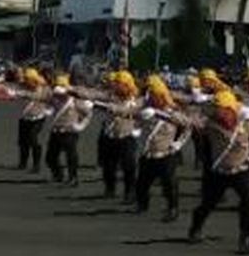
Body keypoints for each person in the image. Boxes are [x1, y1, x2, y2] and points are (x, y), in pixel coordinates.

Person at [171, 88, 249, 255]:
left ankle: (245, 237)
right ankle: (195, 228)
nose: (219, 112)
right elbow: (188, 121)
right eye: (216, 108)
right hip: (218, 172)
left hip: (241, 170)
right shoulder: (209, 123)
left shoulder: (247, 124)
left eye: (222, 109)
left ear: (231, 109)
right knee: (207, 204)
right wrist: (169, 112)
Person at [135, 76, 188, 223]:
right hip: (147, 153)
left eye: (155, 96)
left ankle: (173, 209)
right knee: (141, 183)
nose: (152, 98)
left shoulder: (172, 113)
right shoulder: (146, 108)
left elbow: (187, 127)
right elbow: (132, 114)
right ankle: (142, 204)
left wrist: (178, 144)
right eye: (151, 95)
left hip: (165, 154)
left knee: (170, 184)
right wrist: (137, 125)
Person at [99, 71, 141, 204]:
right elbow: (93, 94)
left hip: (127, 137)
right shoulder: (110, 95)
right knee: (108, 166)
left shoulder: (137, 100)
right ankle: (110, 188)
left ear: (128, 85)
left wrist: (116, 109)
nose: (116, 86)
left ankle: (130, 192)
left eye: (119, 84)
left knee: (129, 166)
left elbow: (134, 112)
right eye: (115, 83)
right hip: (110, 135)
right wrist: (71, 90)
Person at [44, 78, 95, 187]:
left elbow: (88, 113)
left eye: (60, 86)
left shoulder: (75, 101)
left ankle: (73, 178)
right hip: (56, 131)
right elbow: (45, 101)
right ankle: (58, 174)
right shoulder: (54, 98)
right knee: (50, 157)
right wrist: (48, 109)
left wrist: (81, 126)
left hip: (70, 131)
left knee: (71, 156)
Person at [11, 67, 52, 173]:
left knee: (33, 139)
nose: (28, 82)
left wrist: (48, 110)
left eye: (29, 80)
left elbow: (49, 99)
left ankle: (36, 165)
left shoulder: (44, 88)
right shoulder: (21, 86)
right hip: (24, 117)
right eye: (27, 80)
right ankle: (22, 163)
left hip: (38, 117)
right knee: (23, 141)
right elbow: (15, 92)